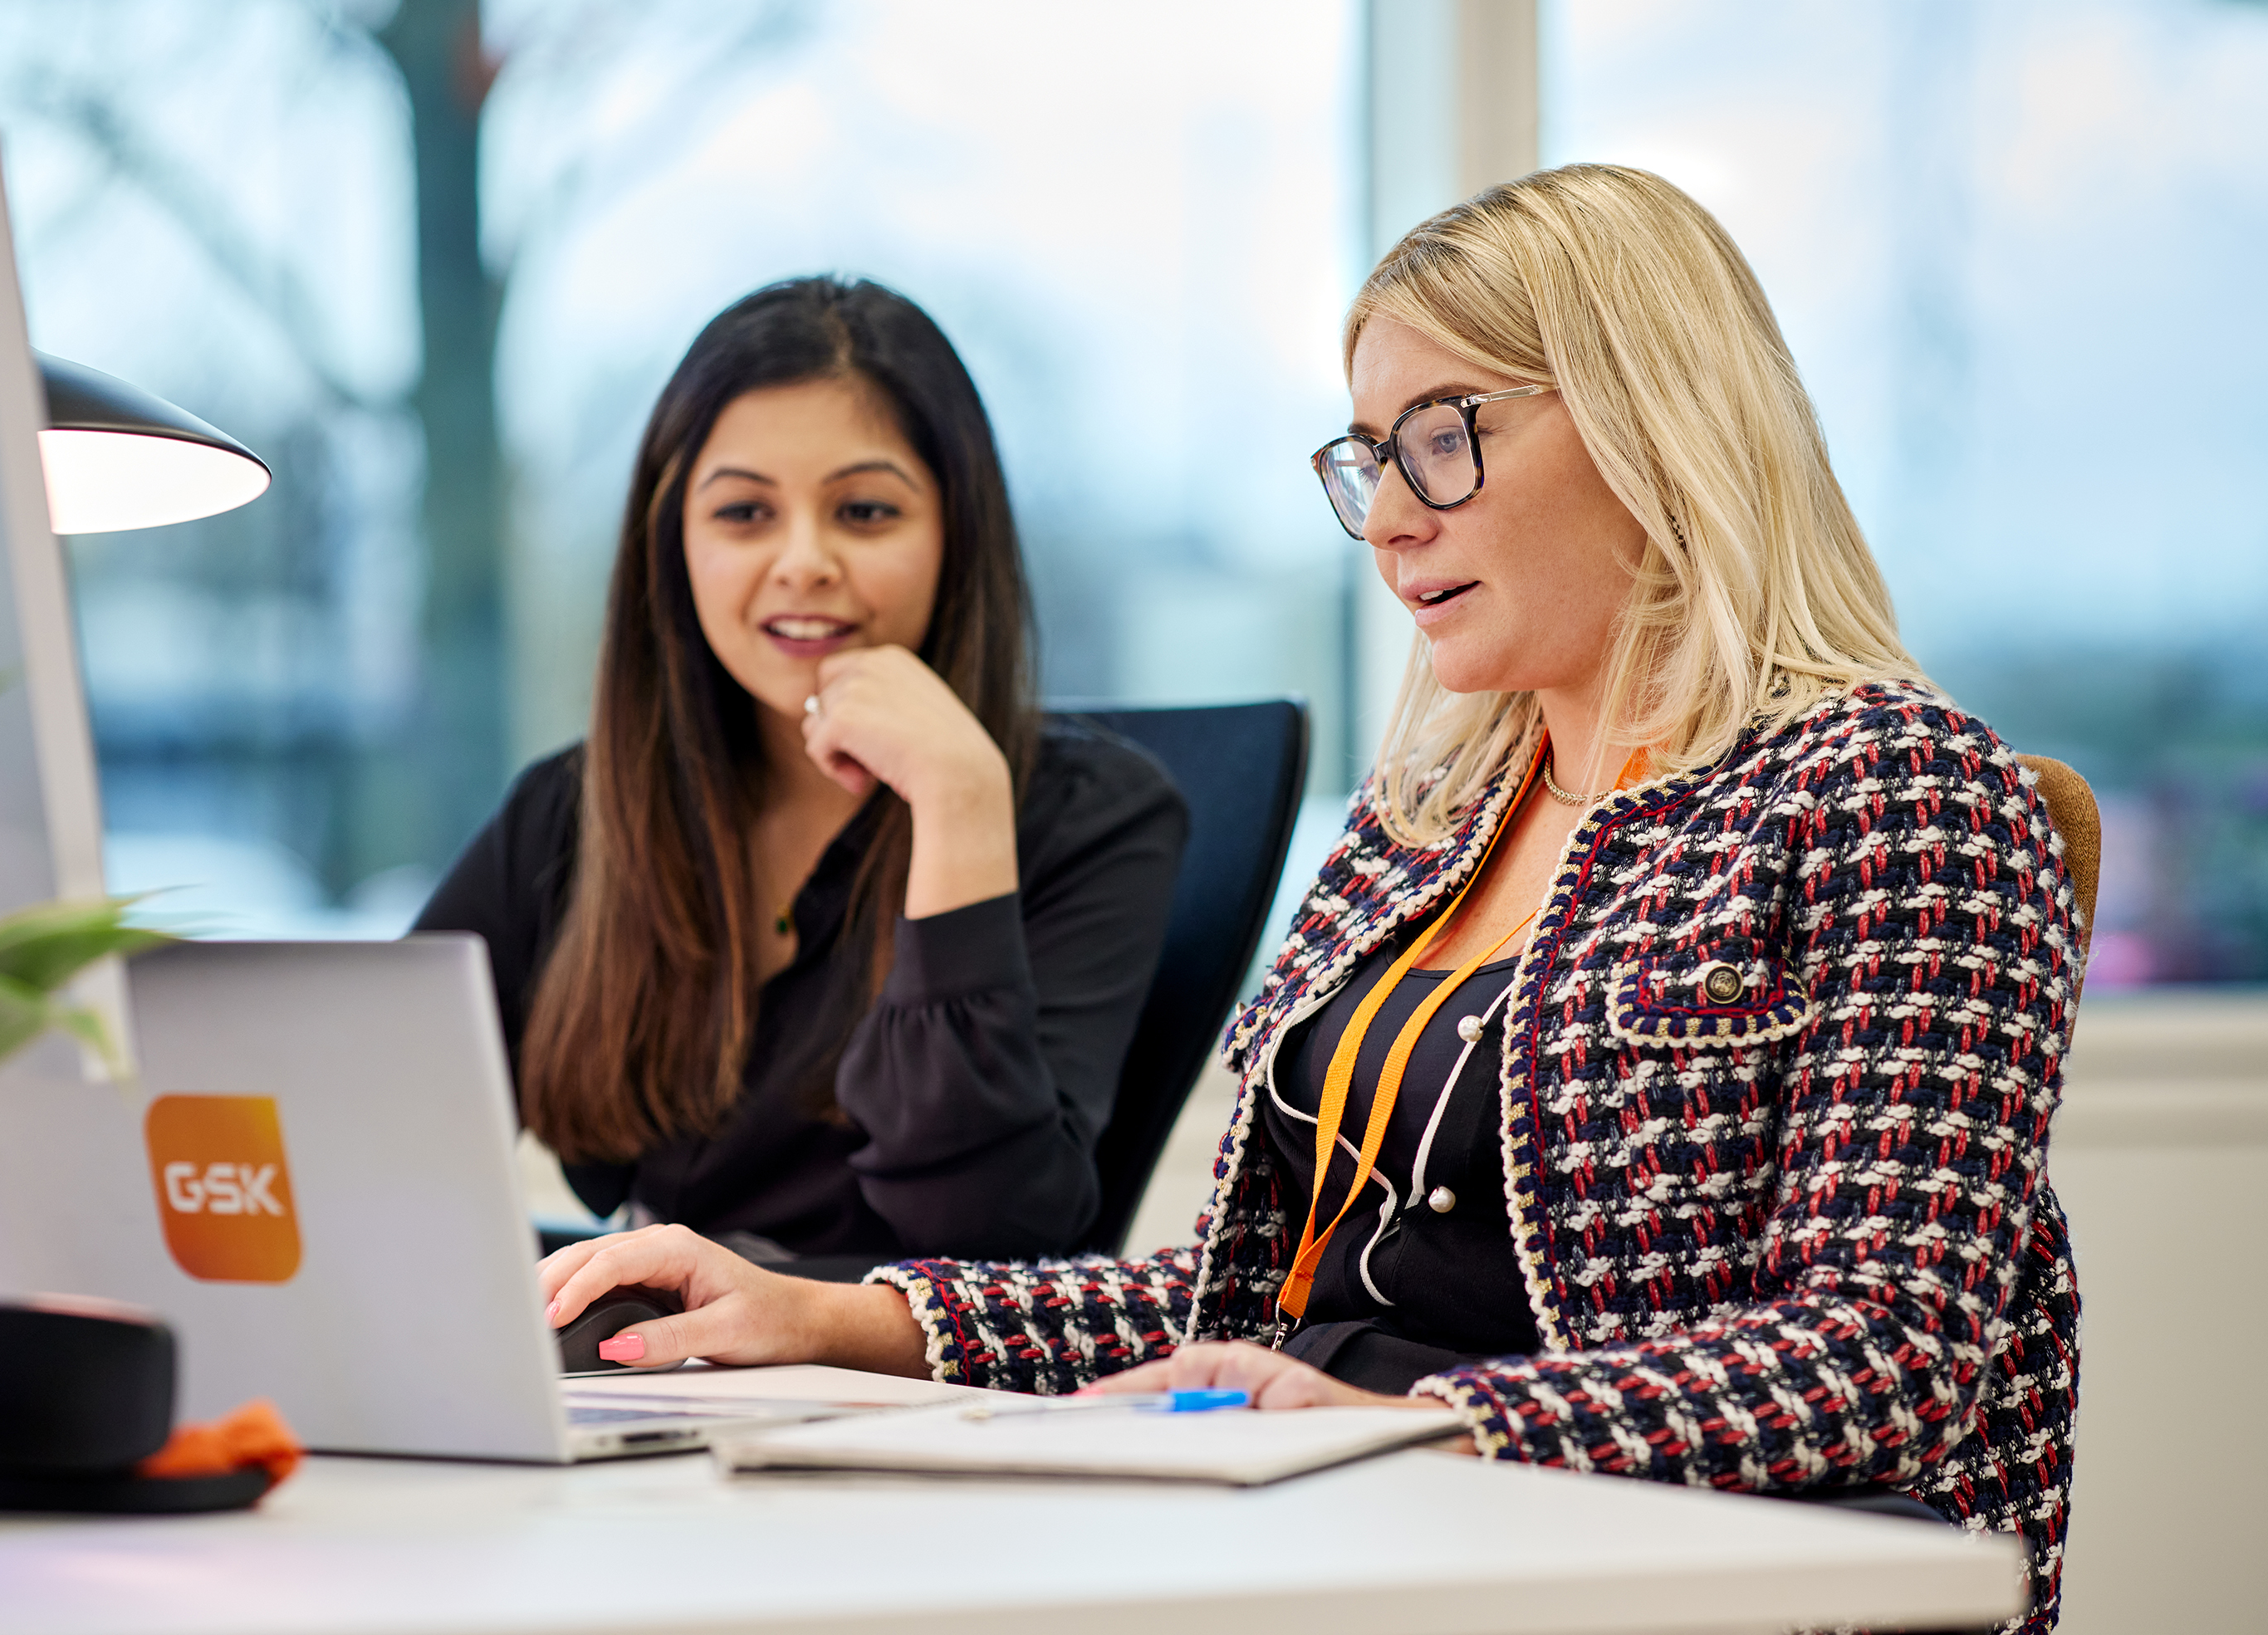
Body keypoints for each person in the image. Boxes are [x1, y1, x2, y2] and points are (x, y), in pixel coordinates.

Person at [537, 169, 2081, 1633]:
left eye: (1441, 436)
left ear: (1654, 425)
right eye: (1366, 455)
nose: (1392, 514)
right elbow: (1233, 1313)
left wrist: (1412, 1429)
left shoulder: (1892, 788)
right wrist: (836, 1314)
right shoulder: (1425, 823)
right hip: (1332, 1527)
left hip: (1602, 1562)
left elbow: (1889, 1351)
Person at [418, 277, 1187, 1262]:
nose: (803, 561)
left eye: (865, 511)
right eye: (744, 514)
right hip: (648, 1381)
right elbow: (369, 1107)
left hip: (907, 1402)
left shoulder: (1093, 817)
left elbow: (992, 1239)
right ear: (673, 546)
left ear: (956, 537)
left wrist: (957, 804)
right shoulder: (577, 809)